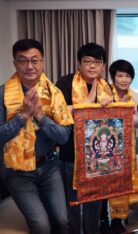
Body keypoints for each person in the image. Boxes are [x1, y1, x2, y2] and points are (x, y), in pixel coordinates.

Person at [0, 39, 73, 234]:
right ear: (14, 63)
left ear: (42, 62)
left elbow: (64, 137)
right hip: (16, 172)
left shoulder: (55, 94)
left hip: (49, 167)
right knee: (41, 226)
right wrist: (23, 114)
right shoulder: (2, 94)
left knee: (62, 220)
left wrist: (40, 116)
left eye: (35, 60)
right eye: (23, 61)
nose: (29, 66)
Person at [56, 42, 113, 234]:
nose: (92, 66)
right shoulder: (65, 82)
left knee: (94, 205)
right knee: (72, 204)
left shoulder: (106, 88)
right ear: (79, 64)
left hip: (98, 158)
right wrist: (86, 104)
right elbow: (56, 113)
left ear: (103, 66)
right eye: (87, 61)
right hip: (71, 154)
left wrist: (110, 106)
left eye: (97, 62)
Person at [105, 59, 138, 234]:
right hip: (106, 146)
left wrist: (128, 113)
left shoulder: (134, 95)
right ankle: (104, 218)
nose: (124, 80)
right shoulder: (104, 92)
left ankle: (119, 219)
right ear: (113, 78)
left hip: (126, 146)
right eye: (120, 75)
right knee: (105, 184)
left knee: (122, 183)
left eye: (128, 76)